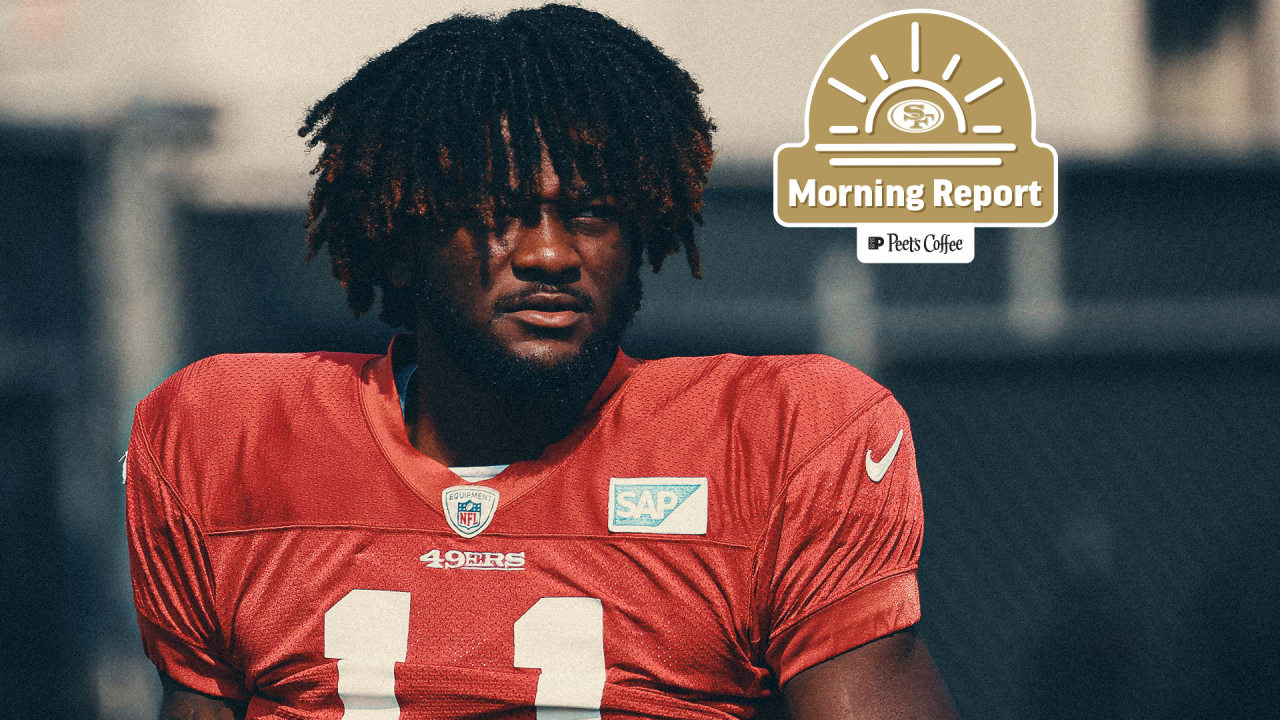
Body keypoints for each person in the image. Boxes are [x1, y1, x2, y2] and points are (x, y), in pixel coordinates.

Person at [124, 5, 957, 718]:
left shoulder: (779, 440)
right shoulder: (230, 437)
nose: (552, 254)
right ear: (403, 242)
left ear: (642, 237)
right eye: (501, 215)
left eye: (591, 214)